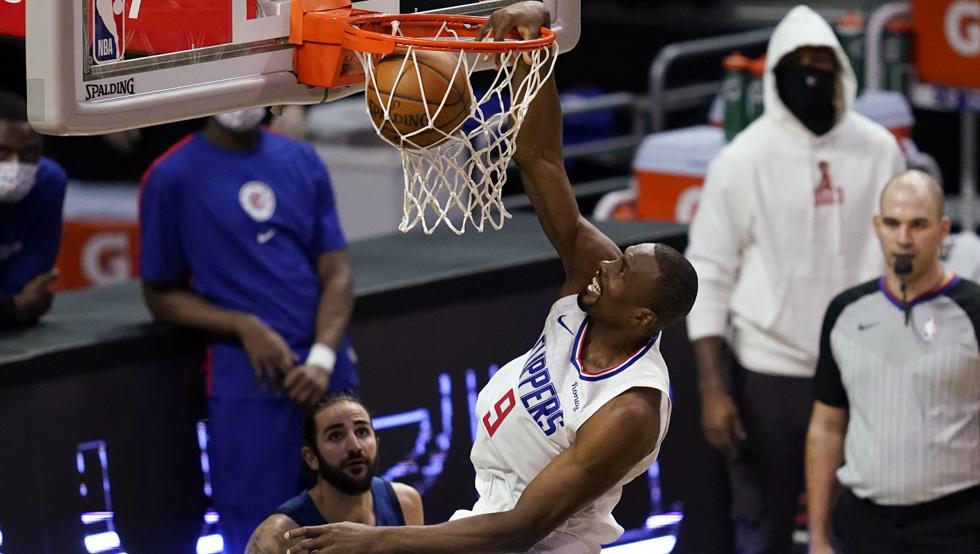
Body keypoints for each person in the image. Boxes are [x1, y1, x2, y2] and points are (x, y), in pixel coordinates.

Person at [281, 3, 698, 553]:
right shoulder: (592, 276)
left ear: (642, 317)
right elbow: (543, 159)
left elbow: (521, 529)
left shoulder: (629, 408)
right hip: (492, 510)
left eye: (621, 271)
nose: (604, 265)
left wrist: (378, 541)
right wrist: (534, 48)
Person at [685, 6, 906, 552]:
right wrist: (714, 390)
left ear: (842, 70)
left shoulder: (880, 149)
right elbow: (708, 277)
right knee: (767, 524)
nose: (810, 73)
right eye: (798, 62)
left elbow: (905, 258)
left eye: (822, 61)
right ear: (775, 71)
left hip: (865, 369)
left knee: (860, 523)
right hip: (771, 372)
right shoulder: (741, 161)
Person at [139, 107, 359, 554]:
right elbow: (159, 293)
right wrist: (241, 325)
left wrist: (321, 357)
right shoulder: (169, 176)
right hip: (250, 385)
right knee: (258, 534)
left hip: (326, 376)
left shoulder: (303, 160)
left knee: (355, 523)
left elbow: (337, 273)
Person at [806, 170, 980, 554]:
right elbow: (827, 427)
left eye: (918, 225)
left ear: (942, 229)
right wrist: (818, 535)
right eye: (893, 223)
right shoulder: (844, 313)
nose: (904, 238)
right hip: (864, 524)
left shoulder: (974, 310)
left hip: (957, 523)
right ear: (877, 226)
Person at [245, 393, 423, 554]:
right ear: (311, 457)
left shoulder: (405, 503)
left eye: (362, 432)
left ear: (377, 443)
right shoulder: (277, 537)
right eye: (336, 436)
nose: (354, 446)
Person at [0, 91, 66, 326]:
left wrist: (17, 305)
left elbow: (30, 290)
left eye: (30, 153)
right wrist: (14, 308)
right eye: (2, 152)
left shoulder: (49, 182)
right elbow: (22, 303)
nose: (16, 167)